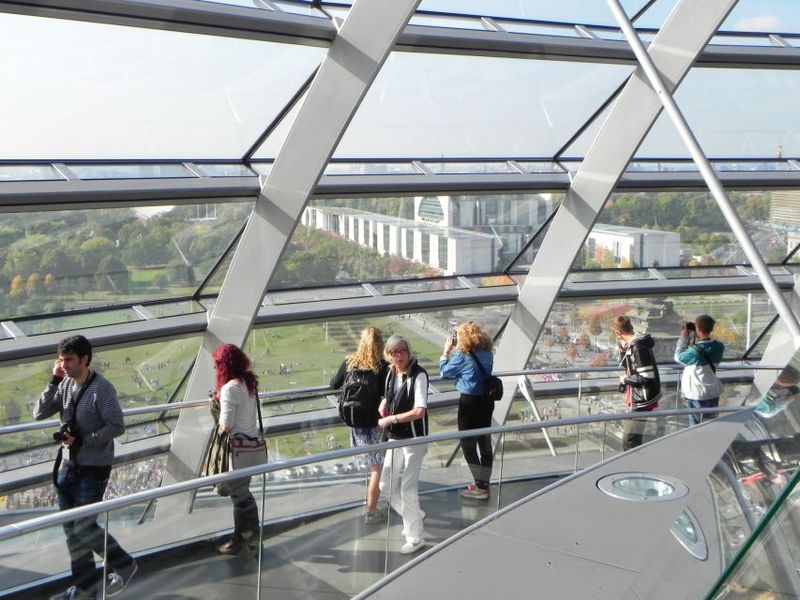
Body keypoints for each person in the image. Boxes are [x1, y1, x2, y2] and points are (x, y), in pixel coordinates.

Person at [34, 335, 137, 600]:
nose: (64, 364)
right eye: (61, 359)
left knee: (83, 528)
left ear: (84, 359)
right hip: (68, 467)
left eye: (68, 360)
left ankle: (124, 563)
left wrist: (84, 441)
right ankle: (85, 588)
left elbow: (117, 426)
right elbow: (39, 412)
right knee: (71, 532)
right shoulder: (65, 384)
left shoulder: (102, 389)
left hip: (93, 468)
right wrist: (54, 380)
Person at [329, 326, 389, 523]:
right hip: (374, 424)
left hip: (355, 424)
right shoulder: (381, 367)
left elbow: (333, 384)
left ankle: (371, 504)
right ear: (380, 345)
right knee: (376, 469)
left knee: (371, 467)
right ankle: (371, 511)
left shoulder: (350, 362)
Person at [377, 335, 428, 555]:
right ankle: (413, 515)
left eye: (403, 351)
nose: (399, 356)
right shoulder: (391, 373)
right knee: (385, 485)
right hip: (395, 438)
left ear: (409, 352)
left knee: (408, 488)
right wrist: (385, 401)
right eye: (394, 352)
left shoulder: (419, 375)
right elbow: (391, 394)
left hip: (415, 439)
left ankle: (415, 538)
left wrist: (391, 419)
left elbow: (420, 411)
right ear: (388, 355)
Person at [211, 343, 261, 556]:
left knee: (239, 496)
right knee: (242, 494)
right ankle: (248, 537)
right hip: (250, 446)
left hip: (237, 450)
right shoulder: (248, 383)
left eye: (217, 365)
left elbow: (226, 425)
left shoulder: (230, 388)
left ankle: (244, 540)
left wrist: (215, 406)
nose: (215, 369)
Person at [440, 322, 494, 500]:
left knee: (467, 444)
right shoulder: (487, 353)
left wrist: (446, 351)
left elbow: (444, 371)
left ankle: (480, 486)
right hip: (486, 401)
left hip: (469, 402)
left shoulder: (462, 356)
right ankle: (484, 483)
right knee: (484, 443)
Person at [614, 316, 661, 450]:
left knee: (630, 439)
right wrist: (623, 348)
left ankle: (633, 466)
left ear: (618, 333)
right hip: (643, 396)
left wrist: (625, 379)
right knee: (633, 437)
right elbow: (628, 364)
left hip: (643, 398)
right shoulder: (636, 343)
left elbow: (646, 377)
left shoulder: (638, 347)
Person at [675, 315, 724, 425]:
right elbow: (705, 346)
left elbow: (678, 357)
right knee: (711, 424)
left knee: (696, 427)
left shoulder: (694, 352)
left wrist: (683, 338)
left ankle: (698, 442)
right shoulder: (719, 346)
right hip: (713, 391)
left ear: (699, 329)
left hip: (698, 394)